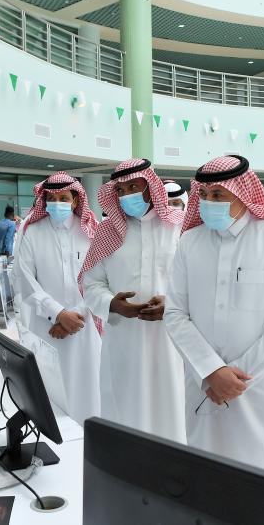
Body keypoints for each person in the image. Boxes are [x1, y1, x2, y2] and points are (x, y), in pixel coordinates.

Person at [163, 155, 264, 467]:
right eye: (204, 194)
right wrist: (211, 371)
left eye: (218, 194)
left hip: (258, 385)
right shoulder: (190, 242)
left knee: (259, 472)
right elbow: (175, 313)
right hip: (202, 384)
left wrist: (237, 376)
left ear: (243, 193)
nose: (209, 202)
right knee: (205, 470)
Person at [81, 158, 186, 441]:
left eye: (134, 187)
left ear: (151, 187)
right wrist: (112, 304)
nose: (127, 195)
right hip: (123, 342)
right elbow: (91, 284)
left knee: (171, 415)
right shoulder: (107, 232)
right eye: (121, 190)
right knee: (124, 415)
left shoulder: (179, 228)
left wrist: (172, 304)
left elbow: (197, 282)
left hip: (172, 341)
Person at [17, 172, 102, 424]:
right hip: (46, 327)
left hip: (84, 326)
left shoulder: (92, 231)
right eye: (51, 198)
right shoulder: (32, 232)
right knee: (50, 392)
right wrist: (58, 314)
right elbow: (24, 279)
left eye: (63, 198)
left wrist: (75, 315)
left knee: (87, 391)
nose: (57, 203)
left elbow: (100, 279)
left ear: (75, 200)